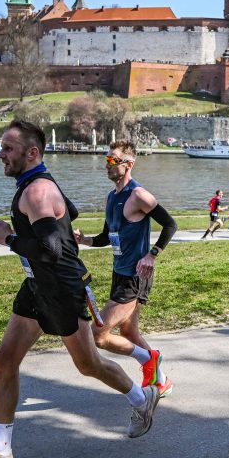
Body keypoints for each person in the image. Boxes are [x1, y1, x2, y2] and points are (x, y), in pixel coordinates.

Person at [0, 121, 161, 458]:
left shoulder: (37, 191)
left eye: (8, 148)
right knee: (4, 361)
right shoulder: (38, 185)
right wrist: (55, 221)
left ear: (32, 153)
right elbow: (70, 211)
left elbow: (49, 249)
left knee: (89, 364)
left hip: (62, 289)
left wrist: (7, 238)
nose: (1, 154)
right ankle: (1, 452)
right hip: (36, 285)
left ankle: (143, 399)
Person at [73, 139, 178, 398]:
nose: (107, 165)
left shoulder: (139, 195)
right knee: (129, 332)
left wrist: (153, 254)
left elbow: (170, 225)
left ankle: (149, 358)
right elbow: (106, 237)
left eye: (113, 160)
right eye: (106, 159)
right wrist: (84, 240)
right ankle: (162, 381)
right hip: (119, 272)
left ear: (129, 164)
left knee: (98, 334)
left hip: (135, 275)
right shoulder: (111, 197)